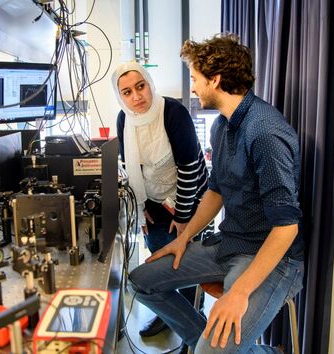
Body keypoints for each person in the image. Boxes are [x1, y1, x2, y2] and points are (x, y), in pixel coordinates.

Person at [128, 34, 305, 353]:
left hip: (272, 259)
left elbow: (286, 227)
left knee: (211, 350)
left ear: (216, 80)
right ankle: (207, 347)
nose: (193, 87)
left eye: (195, 79)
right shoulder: (221, 126)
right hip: (230, 244)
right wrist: (184, 238)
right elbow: (215, 190)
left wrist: (240, 293)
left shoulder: (264, 131)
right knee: (141, 282)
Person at [112, 61, 209, 340]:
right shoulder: (124, 119)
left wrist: (183, 216)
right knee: (159, 259)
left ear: (149, 83)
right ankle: (171, 315)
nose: (136, 97)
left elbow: (190, 167)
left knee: (187, 262)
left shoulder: (173, 113)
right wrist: (140, 210)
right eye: (127, 92)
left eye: (140, 87)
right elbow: (128, 165)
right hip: (154, 200)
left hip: (190, 196)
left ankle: (194, 319)